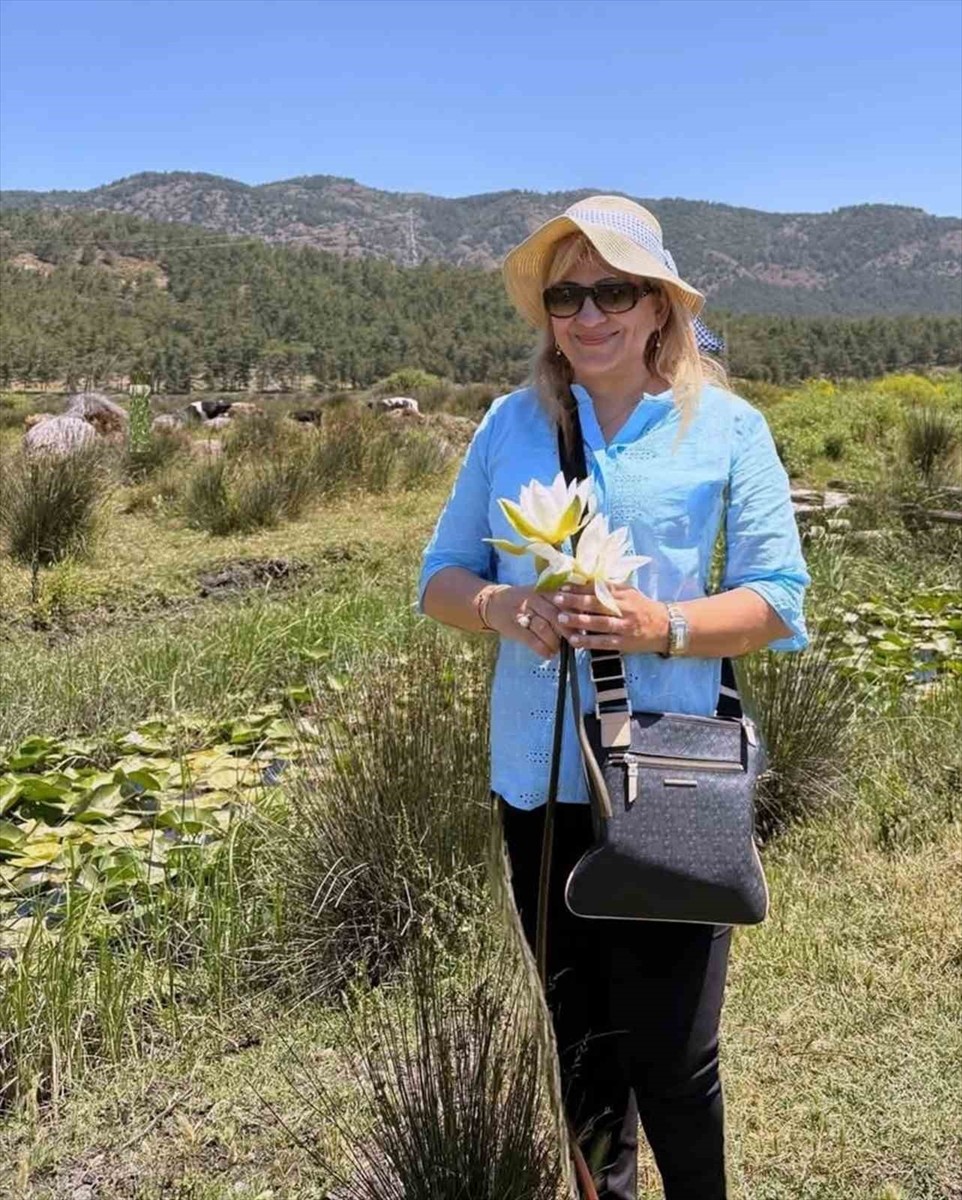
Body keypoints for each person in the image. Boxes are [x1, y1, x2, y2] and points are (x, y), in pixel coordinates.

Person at [418, 195, 809, 1200]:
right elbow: (440, 579)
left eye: (612, 290)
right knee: (584, 1053)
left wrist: (659, 626)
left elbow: (775, 598)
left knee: (673, 1059)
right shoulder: (510, 426)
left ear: (656, 306)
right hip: (536, 779)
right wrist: (507, 606)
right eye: (564, 296)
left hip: (666, 775)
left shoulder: (724, 428)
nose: (586, 315)